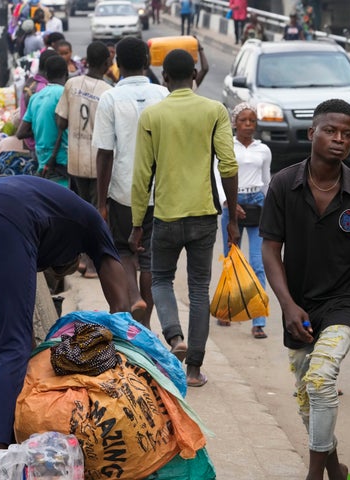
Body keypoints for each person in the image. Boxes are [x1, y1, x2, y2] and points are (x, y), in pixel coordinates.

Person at [0, 175, 131, 480]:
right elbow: (121, 308)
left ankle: (10, 436)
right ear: (73, 254)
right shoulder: (92, 223)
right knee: (15, 341)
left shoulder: (54, 204)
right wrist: (128, 345)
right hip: (7, 218)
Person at [260, 98, 350, 480]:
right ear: (311, 132)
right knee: (306, 398)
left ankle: (314, 475)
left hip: (345, 305)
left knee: (320, 380)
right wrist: (286, 305)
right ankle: (336, 469)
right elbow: (270, 248)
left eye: (347, 134)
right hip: (298, 304)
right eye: (331, 131)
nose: (339, 140)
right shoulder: (284, 185)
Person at [130, 49, 239, 388]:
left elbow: (141, 175)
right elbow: (229, 165)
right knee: (197, 290)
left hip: (164, 215)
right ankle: (194, 370)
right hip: (205, 216)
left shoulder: (153, 115)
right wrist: (232, 216)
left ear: (164, 79)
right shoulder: (214, 110)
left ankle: (174, 336)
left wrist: (136, 225)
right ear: (194, 75)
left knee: (160, 279)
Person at [94, 36, 170, 329]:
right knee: (150, 258)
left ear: (117, 65)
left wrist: (101, 202)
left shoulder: (110, 98)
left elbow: (104, 152)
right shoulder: (163, 94)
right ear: (147, 62)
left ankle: (134, 297)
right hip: (159, 192)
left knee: (123, 249)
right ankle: (147, 323)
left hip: (123, 191)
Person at [54, 41, 113, 278]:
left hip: (75, 160)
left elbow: (60, 122)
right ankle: (90, 264)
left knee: (77, 213)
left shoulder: (71, 84)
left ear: (86, 61)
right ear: (108, 63)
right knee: (97, 213)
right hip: (99, 163)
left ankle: (77, 259)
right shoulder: (108, 91)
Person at [216, 102, 271, 337]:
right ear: (234, 123)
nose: (248, 125)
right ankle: (227, 311)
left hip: (256, 204)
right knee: (231, 259)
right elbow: (218, 176)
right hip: (232, 202)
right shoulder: (227, 146)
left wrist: (268, 205)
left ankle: (258, 320)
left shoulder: (263, 150)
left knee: (258, 263)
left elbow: (266, 179)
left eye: (252, 121)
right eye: (243, 121)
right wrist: (228, 202)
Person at [16, 54, 70, 187]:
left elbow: (20, 133)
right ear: (66, 74)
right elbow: (61, 128)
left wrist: (41, 128)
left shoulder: (36, 97)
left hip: (42, 158)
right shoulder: (65, 94)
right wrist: (53, 157)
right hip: (60, 160)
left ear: (46, 74)